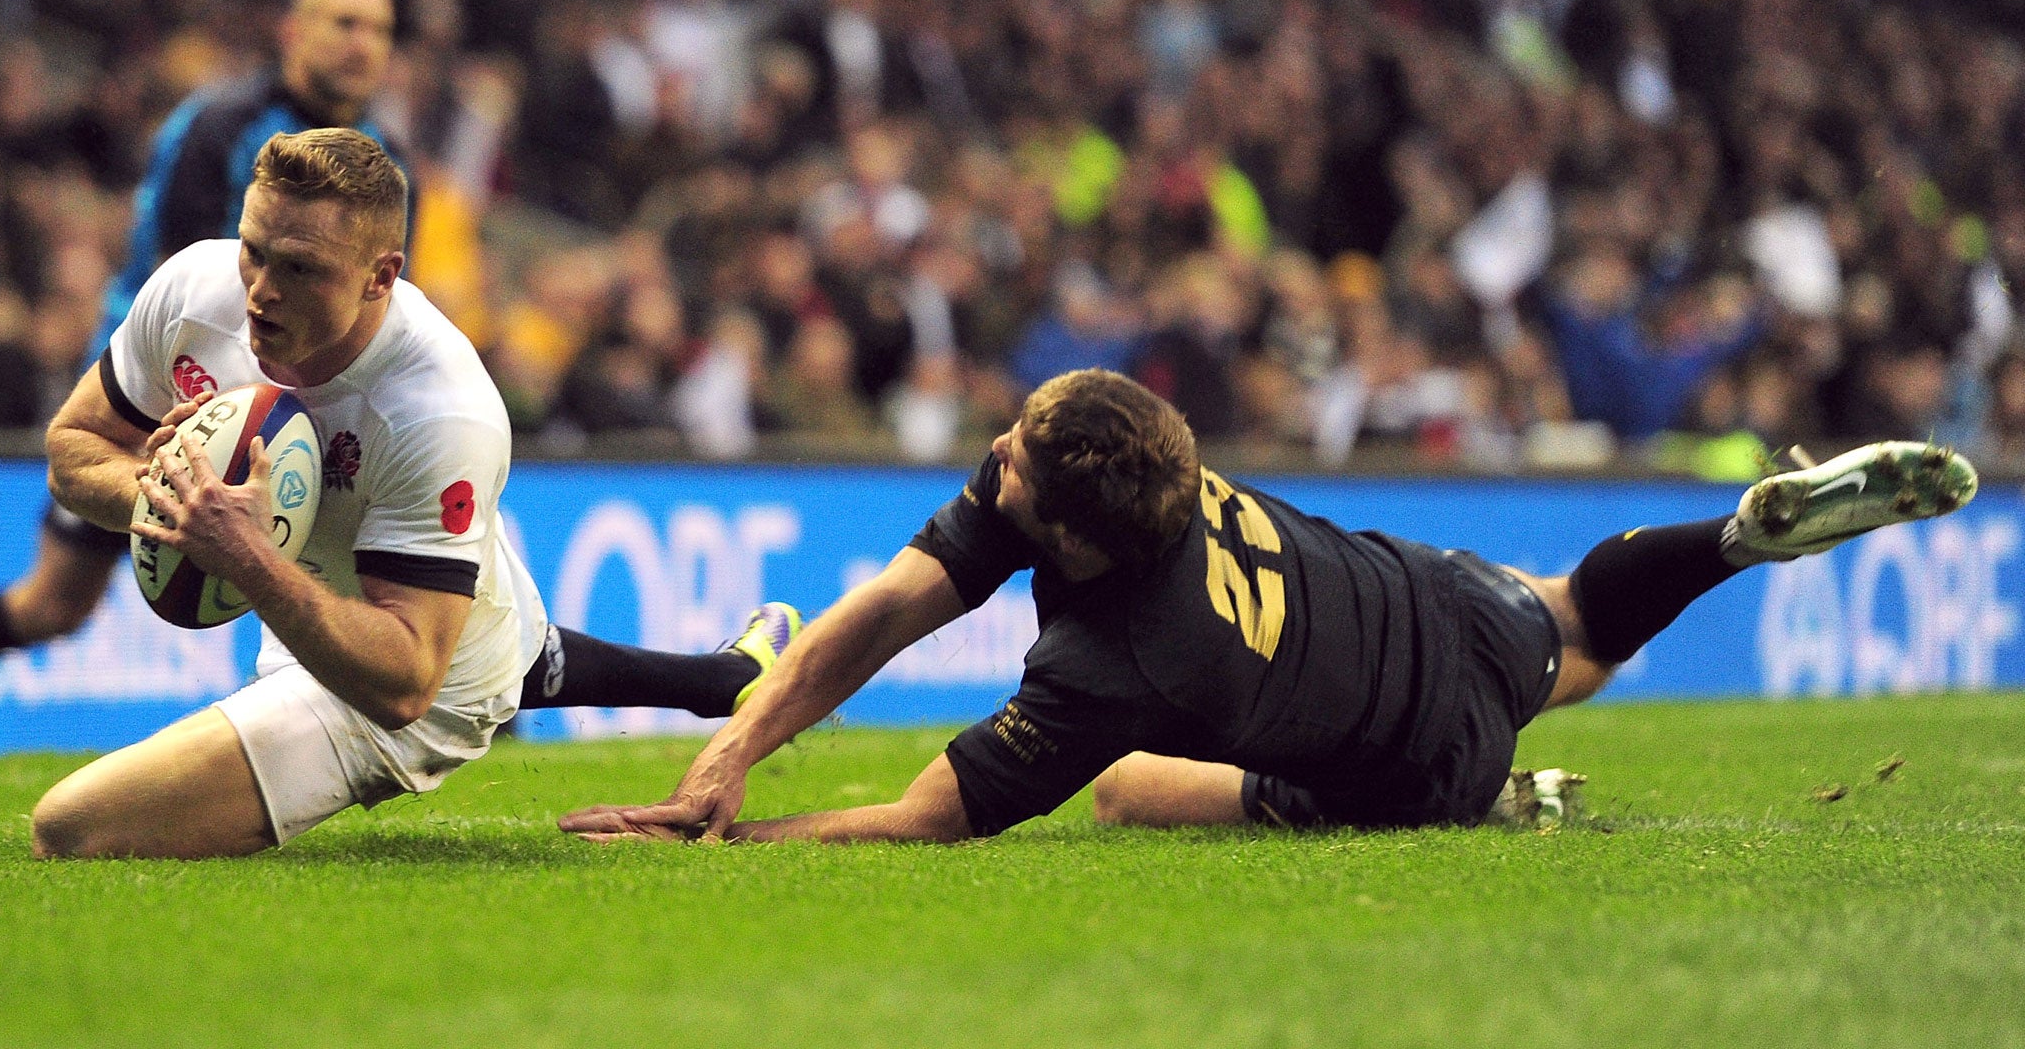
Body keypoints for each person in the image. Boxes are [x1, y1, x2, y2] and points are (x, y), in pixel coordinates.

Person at [560, 368, 1976, 846]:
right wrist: (735, 743)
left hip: (1427, 750)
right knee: (1574, 623)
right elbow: (889, 608)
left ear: (1077, 543)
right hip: (1438, 595)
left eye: (1015, 455)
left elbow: (926, 816)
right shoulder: (1112, 470)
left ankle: (1496, 799)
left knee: (1123, 796)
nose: (995, 455)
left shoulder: (1124, 658)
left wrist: (738, 835)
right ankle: (1732, 537)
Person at [27, 129, 795, 858]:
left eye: (301, 270)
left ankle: (710, 678)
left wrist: (247, 553)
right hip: (342, 591)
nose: (261, 293)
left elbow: (403, 683)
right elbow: (74, 450)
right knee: (487, 619)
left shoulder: (440, 408)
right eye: (254, 254)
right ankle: (730, 677)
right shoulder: (195, 289)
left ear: (381, 276)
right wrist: (165, 496)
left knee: (71, 826)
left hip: (417, 689)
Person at [0, 0, 401, 669]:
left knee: (368, 558)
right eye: (345, 23)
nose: (363, 45)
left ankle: (457, 679)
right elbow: (193, 284)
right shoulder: (220, 127)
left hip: (301, 396)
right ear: (294, 30)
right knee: (54, 604)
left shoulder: (386, 160)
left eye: (381, 30)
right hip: (163, 387)